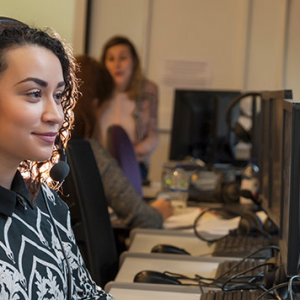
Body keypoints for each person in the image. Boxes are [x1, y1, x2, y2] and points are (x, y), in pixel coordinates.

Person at [0, 18, 114, 299]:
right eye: (34, 93)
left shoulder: (46, 204)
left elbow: (87, 295)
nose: (57, 115)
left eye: (59, 95)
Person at [74, 55, 173, 228]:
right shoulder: (89, 153)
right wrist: (159, 211)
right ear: (95, 104)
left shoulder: (44, 148)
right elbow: (144, 219)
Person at [94, 36, 159, 180]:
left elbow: (153, 136)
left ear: (134, 62)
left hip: (135, 163)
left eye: (123, 58)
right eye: (111, 59)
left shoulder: (148, 91)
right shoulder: (98, 93)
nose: (117, 65)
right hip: (102, 164)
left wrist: (131, 153)